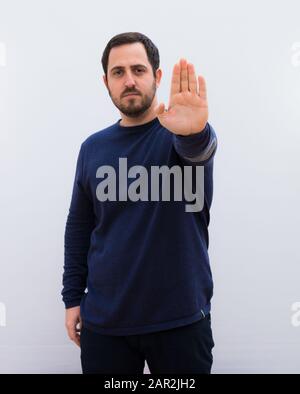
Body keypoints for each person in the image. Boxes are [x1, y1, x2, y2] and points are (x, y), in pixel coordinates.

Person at [62, 31, 218, 374]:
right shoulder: (93, 148)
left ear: (157, 76)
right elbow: (79, 227)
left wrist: (195, 133)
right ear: (106, 82)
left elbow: (199, 150)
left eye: (138, 69)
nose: (129, 80)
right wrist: (72, 297)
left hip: (181, 321)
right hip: (106, 324)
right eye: (118, 73)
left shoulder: (183, 136)